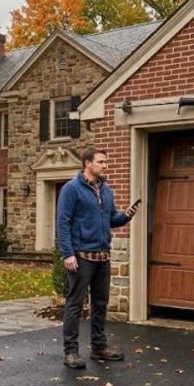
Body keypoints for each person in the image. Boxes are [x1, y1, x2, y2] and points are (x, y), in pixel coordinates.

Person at [56, 148, 138, 369]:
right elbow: (62, 223)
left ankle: (99, 347)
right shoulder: (71, 189)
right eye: (101, 162)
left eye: (105, 162)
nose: (105, 165)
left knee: (100, 303)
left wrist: (126, 215)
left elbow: (111, 219)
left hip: (103, 257)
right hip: (81, 257)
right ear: (88, 163)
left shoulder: (106, 190)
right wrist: (68, 253)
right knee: (74, 305)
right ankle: (71, 352)